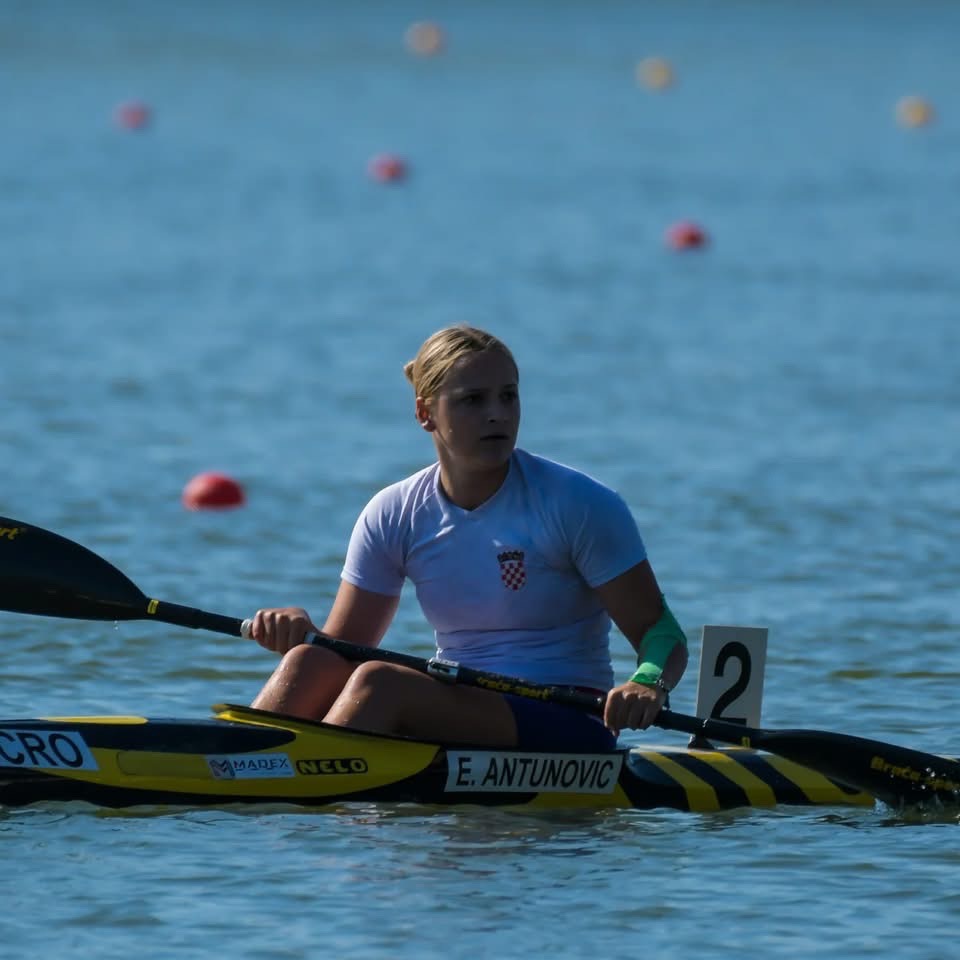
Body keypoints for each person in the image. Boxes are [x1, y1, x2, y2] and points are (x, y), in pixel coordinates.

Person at [248, 324, 688, 750]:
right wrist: (298, 632)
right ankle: (230, 763)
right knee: (311, 660)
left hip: (570, 715)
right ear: (425, 414)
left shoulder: (578, 503)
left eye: (508, 397)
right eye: (473, 400)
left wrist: (647, 682)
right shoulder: (394, 512)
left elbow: (660, 632)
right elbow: (341, 651)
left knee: (379, 683)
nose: (497, 413)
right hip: (459, 702)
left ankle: (278, 781)